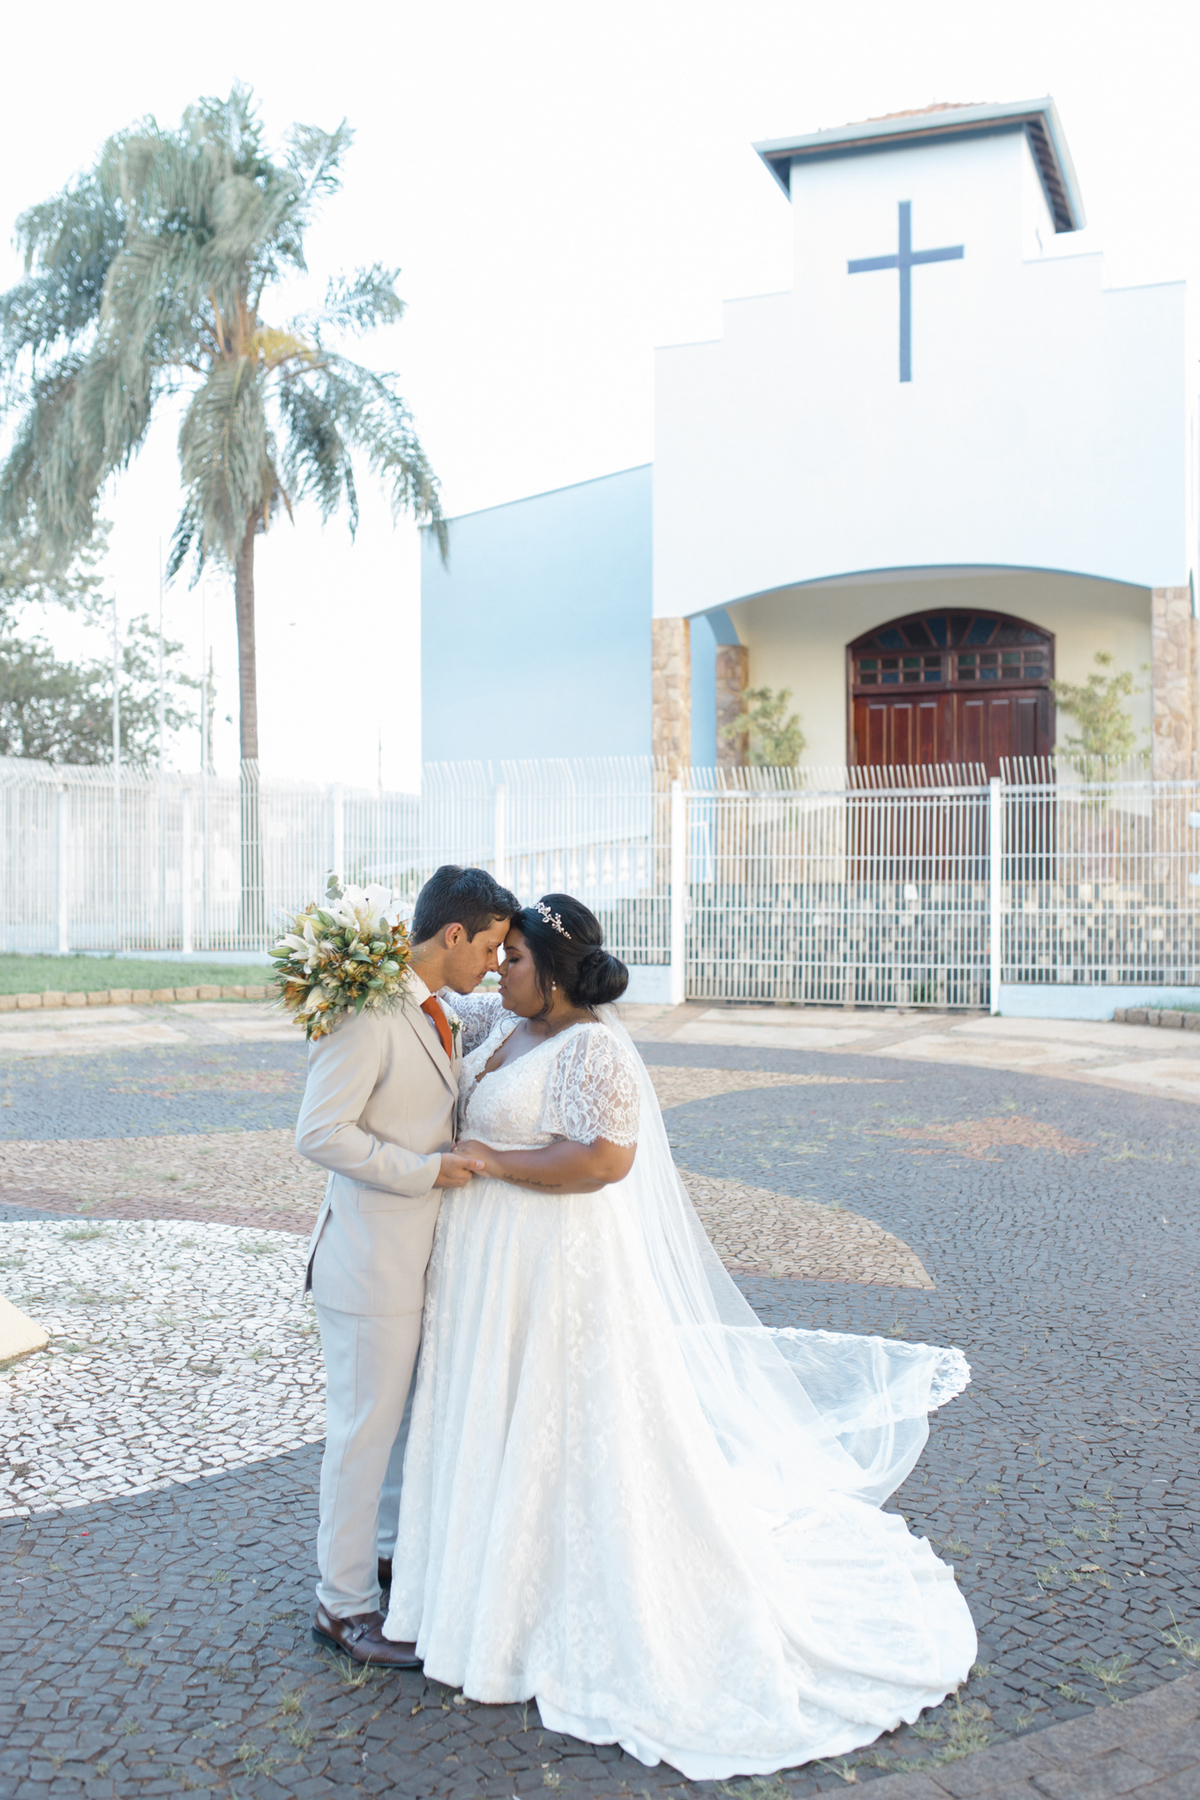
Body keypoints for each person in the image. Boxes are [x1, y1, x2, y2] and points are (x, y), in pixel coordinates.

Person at [381, 892, 977, 1778]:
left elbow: (603, 1159)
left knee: (562, 1421)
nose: (499, 970)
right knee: (491, 1412)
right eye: (499, 956)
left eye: (514, 959)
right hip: (489, 1268)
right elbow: (426, 974)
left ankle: (533, 1603)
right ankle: (469, 1583)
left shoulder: (594, 1048)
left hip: (555, 1265)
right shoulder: (504, 1026)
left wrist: (496, 1160)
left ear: (552, 971)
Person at [297, 863, 518, 1667]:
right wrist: (425, 1170)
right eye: (490, 948)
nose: (494, 964)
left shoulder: (437, 1010)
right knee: (361, 1436)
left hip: (421, 1262)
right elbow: (320, 1133)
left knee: (396, 1430)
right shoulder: (368, 1013)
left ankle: (383, 1560)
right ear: (453, 934)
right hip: (368, 1264)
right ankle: (340, 1603)